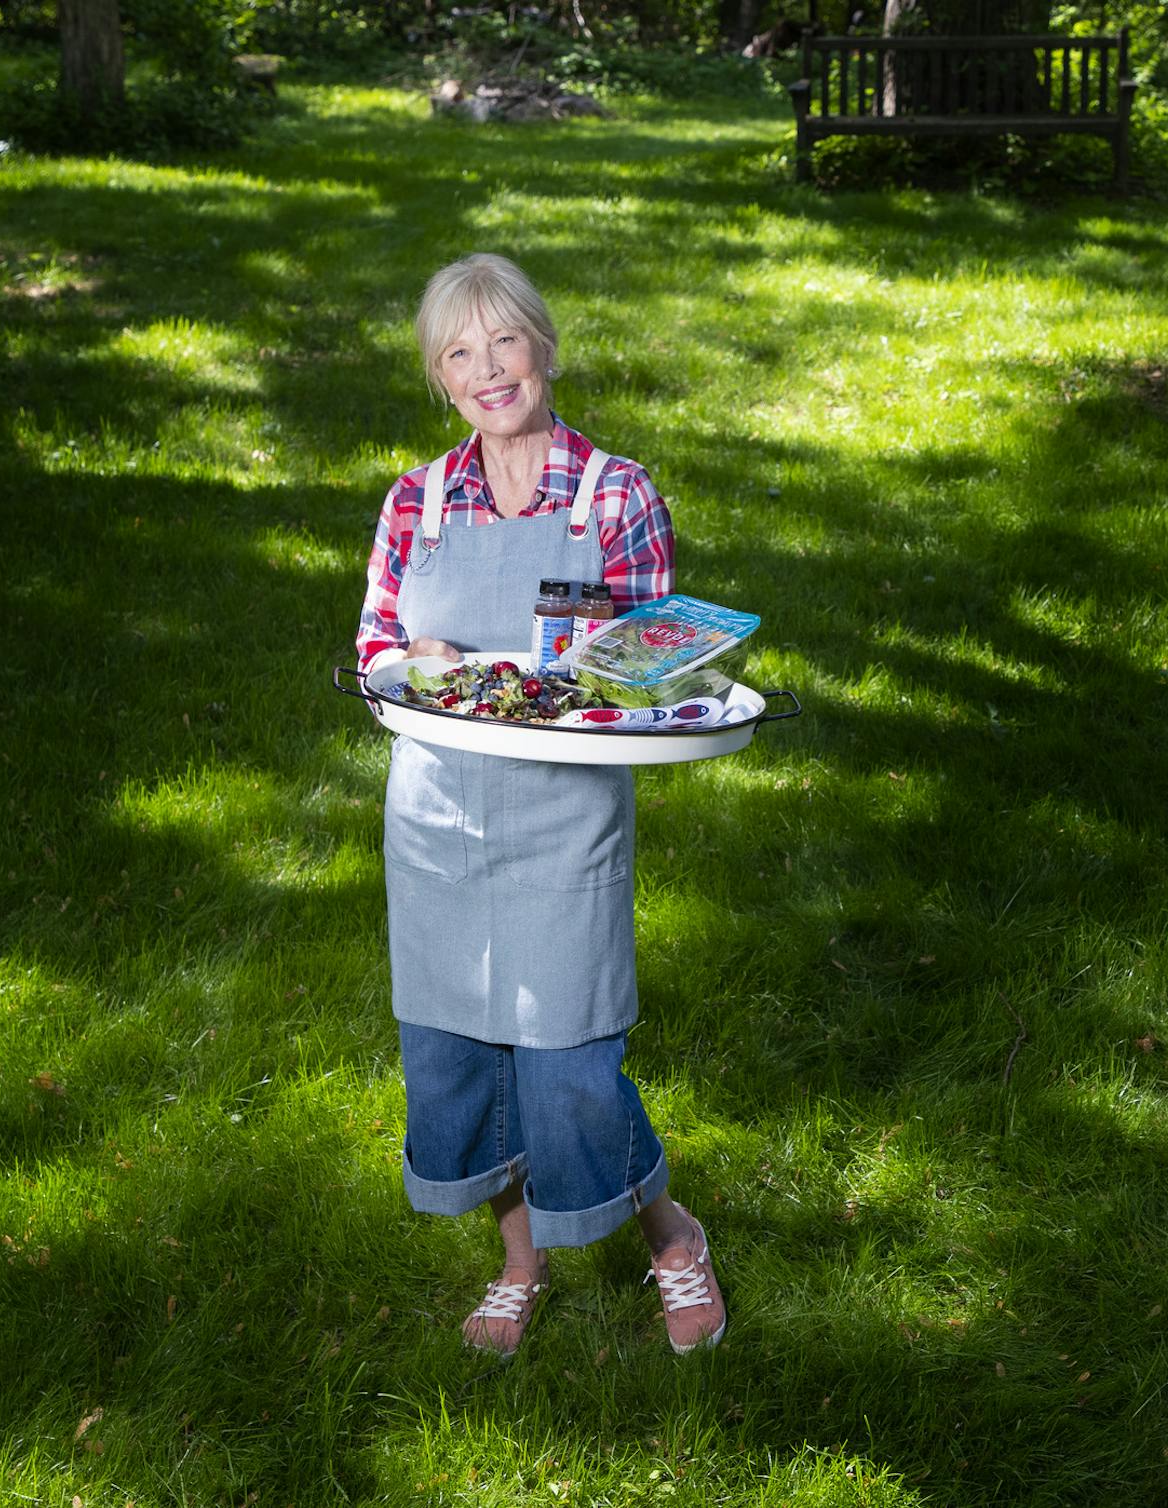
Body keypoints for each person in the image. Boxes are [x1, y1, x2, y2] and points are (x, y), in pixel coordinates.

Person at [354, 252, 725, 1358]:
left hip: (564, 814)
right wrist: (413, 654)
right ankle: (520, 1262)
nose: (488, 370)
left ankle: (671, 1236)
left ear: (544, 347)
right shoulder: (416, 497)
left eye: (503, 341)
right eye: (459, 354)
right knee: (462, 1055)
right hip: (438, 811)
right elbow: (374, 647)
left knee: (566, 1060)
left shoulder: (616, 490)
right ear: (440, 376)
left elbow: (661, 656)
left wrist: (609, 677)